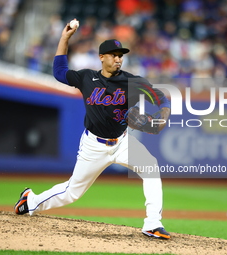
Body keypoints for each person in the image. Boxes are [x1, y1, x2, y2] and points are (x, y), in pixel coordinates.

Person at [14, 21, 172, 239]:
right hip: (93, 145)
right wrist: (65, 39)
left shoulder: (133, 81)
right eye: (113, 54)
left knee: (151, 167)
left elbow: (162, 98)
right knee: (72, 193)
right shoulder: (87, 78)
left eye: (121, 55)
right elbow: (60, 72)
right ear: (101, 57)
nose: (118, 59)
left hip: (122, 142)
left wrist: (163, 115)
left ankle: (152, 224)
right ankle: (30, 200)